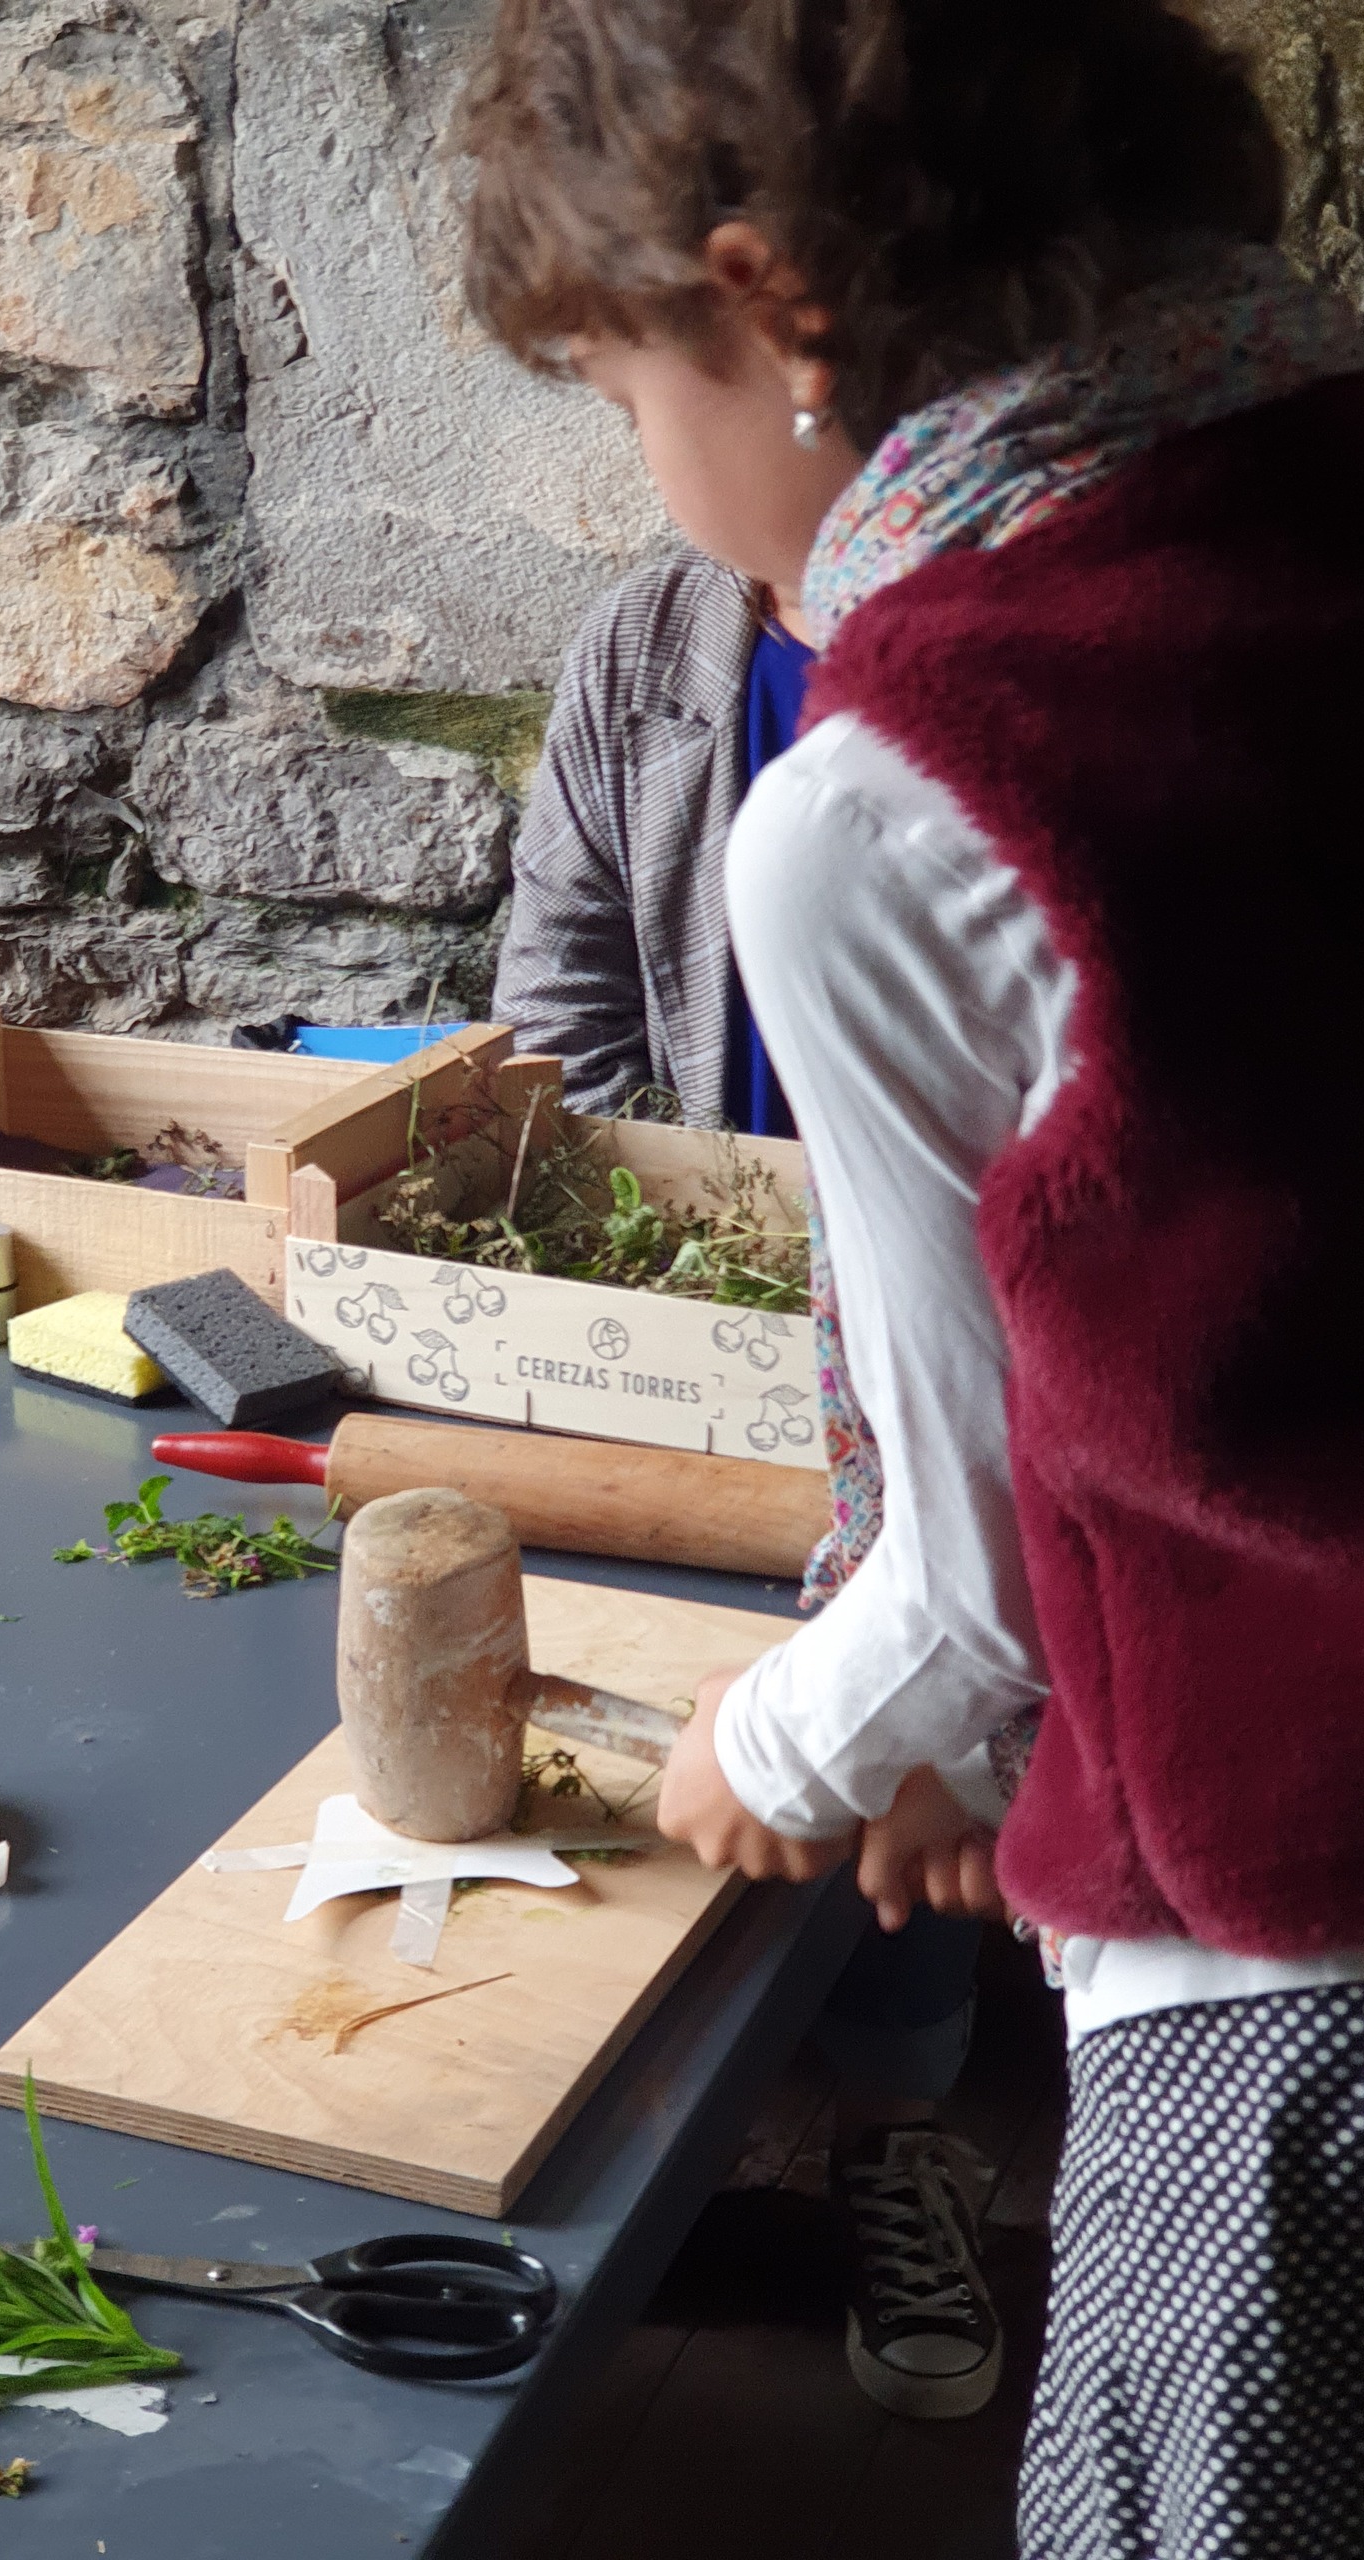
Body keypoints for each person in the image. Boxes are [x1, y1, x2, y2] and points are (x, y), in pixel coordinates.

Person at [458, 1, 1364, 2551]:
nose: (662, 479)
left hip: (1351, 2018)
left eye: (636, 392)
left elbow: (960, 1604)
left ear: (775, 308)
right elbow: (1280, 1293)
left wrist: (772, 1746)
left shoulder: (891, 801)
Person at [496, 561, 1003, 2423]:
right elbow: (556, 991)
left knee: (901, 1613)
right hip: (710, 1286)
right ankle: (614, 2113)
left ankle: (898, 2122)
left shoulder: (999, 652)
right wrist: (702, 1226)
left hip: (934, 1310)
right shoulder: (647, 649)